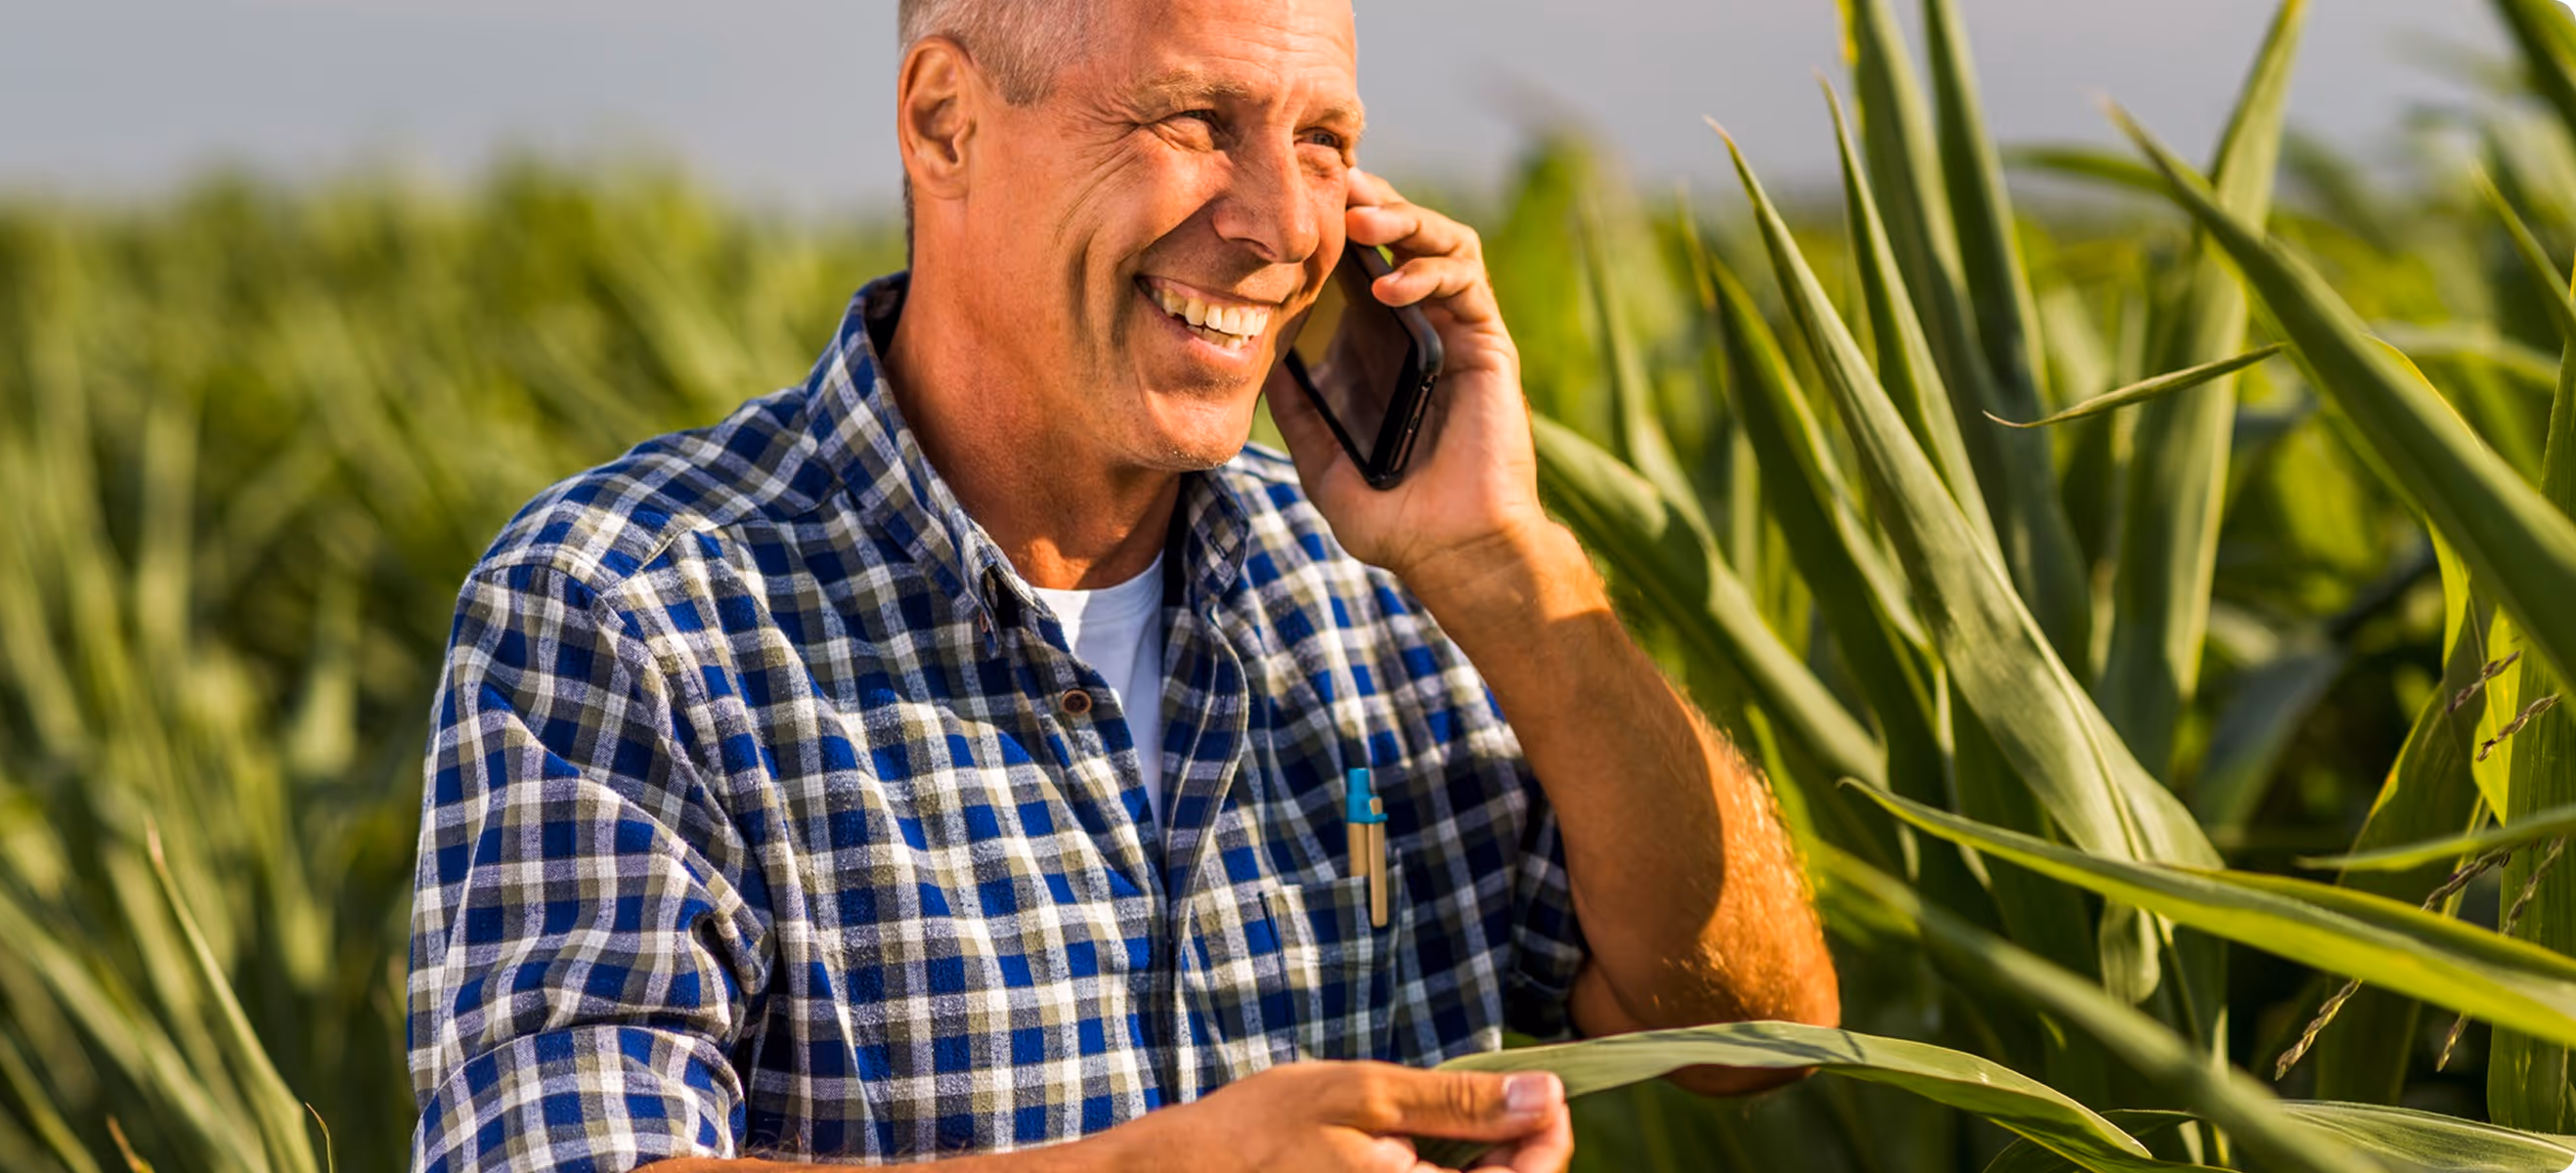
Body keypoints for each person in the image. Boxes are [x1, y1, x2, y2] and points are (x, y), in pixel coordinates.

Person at [405, 0, 1839, 1169]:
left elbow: (1750, 1035)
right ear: (944, 121)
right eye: (1194, 123)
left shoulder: (1391, 597)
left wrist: (1507, 564)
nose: (1285, 222)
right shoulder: (625, 613)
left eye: (1324, 138)